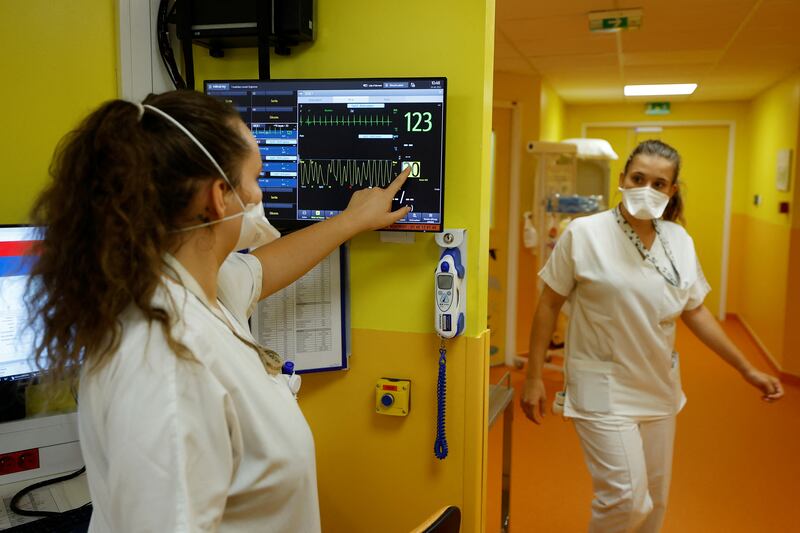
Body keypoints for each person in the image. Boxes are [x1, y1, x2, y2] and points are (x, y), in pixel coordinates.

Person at [26, 90, 412, 532]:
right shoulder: (165, 363)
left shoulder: (191, 288)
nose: (259, 193)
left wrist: (351, 221)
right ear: (217, 197)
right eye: (255, 177)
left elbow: (263, 269)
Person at [520, 139, 784, 532]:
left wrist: (746, 369)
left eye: (659, 183)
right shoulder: (584, 233)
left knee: (655, 501)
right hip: (601, 389)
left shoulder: (678, 241)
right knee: (625, 498)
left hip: (658, 386)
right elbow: (548, 304)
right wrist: (534, 376)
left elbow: (693, 310)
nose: (647, 188)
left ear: (672, 191)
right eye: (638, 178)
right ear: (623, 180)